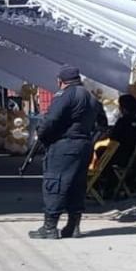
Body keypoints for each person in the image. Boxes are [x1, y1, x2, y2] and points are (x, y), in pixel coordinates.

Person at [29, 66, 98, 240]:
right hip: (84, 145)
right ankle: (73, 227)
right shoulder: (91, 96)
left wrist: (42, 135)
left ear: (60, 81)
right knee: (77, 185)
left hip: (65, 145)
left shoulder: (66, 95)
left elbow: (51, 119)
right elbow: (102, 123)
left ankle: (49, 227)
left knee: (56, 183)